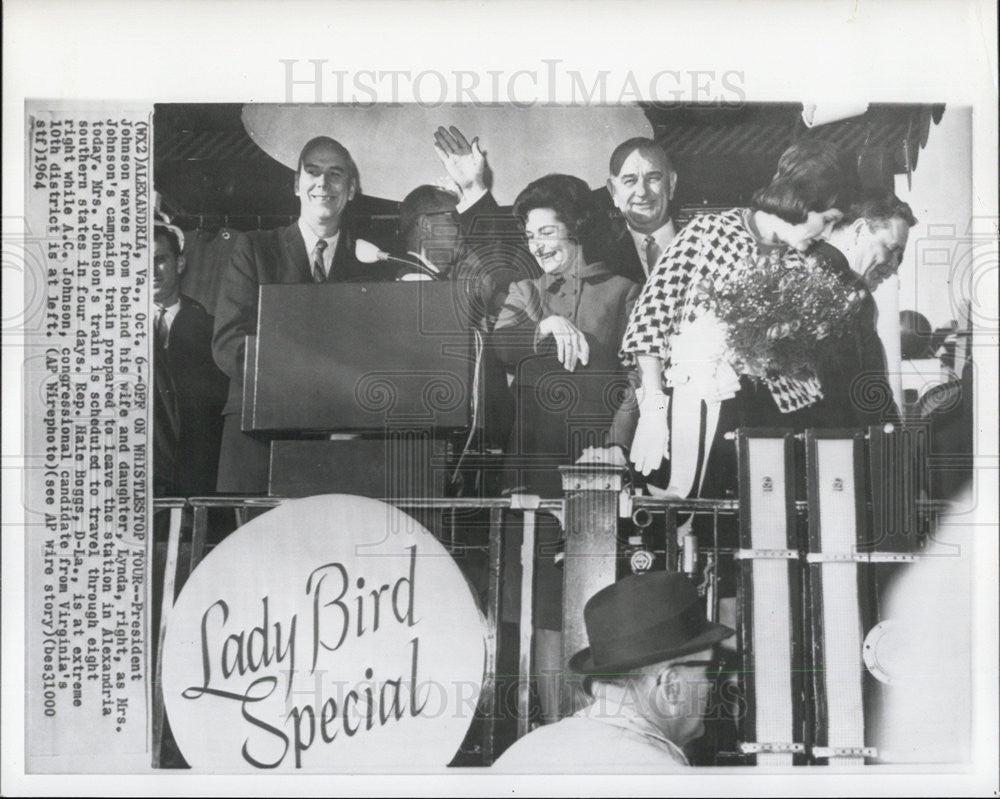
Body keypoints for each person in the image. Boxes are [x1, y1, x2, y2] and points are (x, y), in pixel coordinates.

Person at [620, 139, 849, 497]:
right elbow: (650, 322)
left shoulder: (806, 264)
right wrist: (653, 410)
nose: (827, 234)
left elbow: (804, 367)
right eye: (828, 220)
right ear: (803, 202)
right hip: (693, 419)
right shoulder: (704, 233)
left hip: (773, 423)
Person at [491, 173, 640, 722]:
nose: (540, 246)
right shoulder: (525, 294)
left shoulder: (623, 290)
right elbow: (500, 348)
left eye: (548, 231)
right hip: (531, 463)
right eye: (532, 237)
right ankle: (539, 724)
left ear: (576, 229)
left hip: (595, 463)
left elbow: (636, 381)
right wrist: (546, 324)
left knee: (595, 592)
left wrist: (618, 449)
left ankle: (593, 726)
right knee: (534, 600)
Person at [212, 136, 387, 494]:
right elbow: (229, 342)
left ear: (351, 190)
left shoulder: (370, 263)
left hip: (340, 442)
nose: (323, 183)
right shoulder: (255, 248)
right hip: (259, 437)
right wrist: (311, 380)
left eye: (335, 174)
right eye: (313, 172)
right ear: (296, 184)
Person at [493, 570, 734, 769]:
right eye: (710, 671)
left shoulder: (526, 750)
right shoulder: (659, 772)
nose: (713, 686)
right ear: (671, 687)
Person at [152, 223, 229, 497]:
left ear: (180, 263)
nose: (150, 271)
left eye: (159, 260)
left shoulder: (211, 329)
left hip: (195, 481)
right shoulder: (114, 332)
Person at [604, 137, 680, 285]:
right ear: (613, 192)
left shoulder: (704, 247)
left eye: (653, 178)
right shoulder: (602, 259)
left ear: (671, 183)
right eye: (630, 181)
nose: (642, 192)